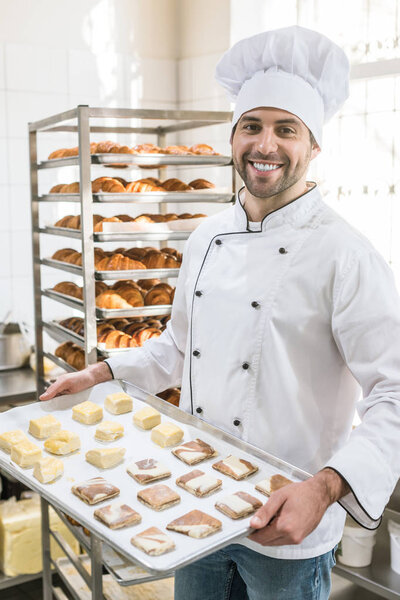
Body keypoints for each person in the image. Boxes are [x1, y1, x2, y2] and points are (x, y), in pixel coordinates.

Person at [41, 26, 400, 600]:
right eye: (251, 126)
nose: (266, 145)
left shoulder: (346, 254)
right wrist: (99, 374)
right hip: (197, 502)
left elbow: (394, 393)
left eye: (287, 129)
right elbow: (178, 347)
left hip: (288, 525)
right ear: (233, 138)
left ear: (313, 147)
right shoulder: (205, 236)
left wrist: (326, 488)